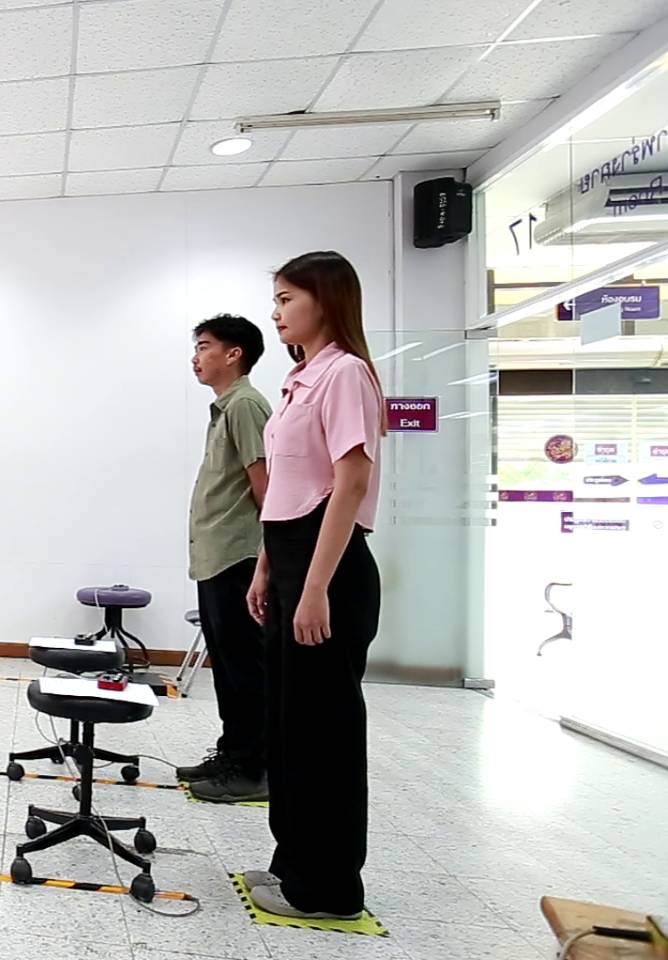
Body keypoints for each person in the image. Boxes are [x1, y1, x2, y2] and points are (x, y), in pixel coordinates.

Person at [244, 251, 385, 921]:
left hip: (329, 569)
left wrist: (314, 587)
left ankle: (329, 887)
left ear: (325, 301)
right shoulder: (301, 378)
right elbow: (289, 488)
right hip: (292, 558)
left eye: (286, 299)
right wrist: (267, 567)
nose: (276, 312)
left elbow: (349, 482)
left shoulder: (346, 373)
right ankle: (294, 863)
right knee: (290, 727)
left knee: (325, 734)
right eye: (276, 299)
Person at [177, 314, 272, 804]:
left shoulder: (246, 406)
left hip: (238, 557)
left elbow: (267, 489)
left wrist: (267, 562)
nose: (196, 357)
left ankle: (255, 769)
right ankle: (233, 754)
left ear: (234, 354)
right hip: (217, 557)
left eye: (204, 346)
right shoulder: (226, 407)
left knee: (246, 670)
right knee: (228, 668)